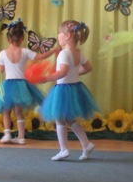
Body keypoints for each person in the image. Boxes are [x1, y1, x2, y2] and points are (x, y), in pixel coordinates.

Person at [40, 20, 100, 161]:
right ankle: (86, 144)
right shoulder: (78, 53)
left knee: (59, 120)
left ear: (67, 35)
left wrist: (47, 78)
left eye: (59, 33)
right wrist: (75, 73)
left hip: (63, 90)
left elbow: (63, 72)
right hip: (74, 88)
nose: (57, 36)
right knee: (70, 119)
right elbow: (88, 67)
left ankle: (64, 149)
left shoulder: (64, 53)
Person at [0, 20, 55, 145]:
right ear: (22, 38)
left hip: (8, 85)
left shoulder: (3, 53)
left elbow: (0, 69)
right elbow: (40, 57)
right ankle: (21, 137)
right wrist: (54, 50)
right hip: (21, 86)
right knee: (19, 112)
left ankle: (7, 134)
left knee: (6, 111)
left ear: (8, 38)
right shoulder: (25, 51)